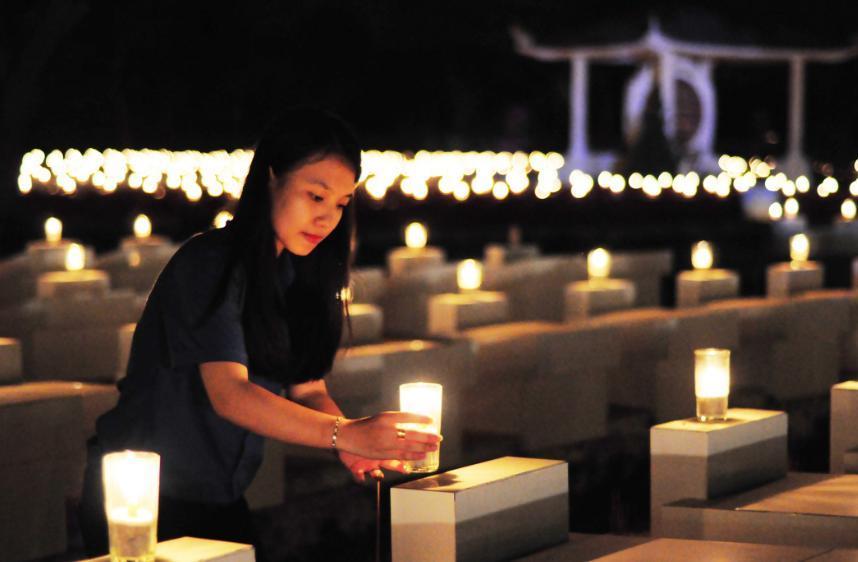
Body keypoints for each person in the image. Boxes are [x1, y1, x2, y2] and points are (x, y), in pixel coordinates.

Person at [78, 108, 439, 555]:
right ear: (272, 178)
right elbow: (230, 394)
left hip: (221, 496)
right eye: (315, 195)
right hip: (144, 500)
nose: (328, 218)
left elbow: (307, 391)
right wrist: (345, 433)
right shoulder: (210, 264)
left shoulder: (297, 276)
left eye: (342, 203)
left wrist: (350, 443)